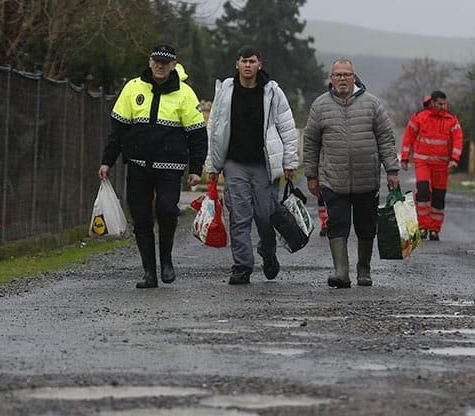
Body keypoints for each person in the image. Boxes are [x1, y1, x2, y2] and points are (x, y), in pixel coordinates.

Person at [99, 44, 207, 288]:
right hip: (138, 165)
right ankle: (149, 272)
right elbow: (118, 130)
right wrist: (107, 161)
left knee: (167, 211)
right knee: (141, 218)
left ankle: (166, 260)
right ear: (149, 62)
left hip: (170, 166)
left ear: (173, 65)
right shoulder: (133, 88)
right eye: (156, 61)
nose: (160, 65)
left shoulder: (185, 93)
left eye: (165, 62)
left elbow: (197, 134)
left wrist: (195, 168)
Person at [204, 45, 299, 285]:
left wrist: (290, 162)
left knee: (265, 216)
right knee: (240, 216)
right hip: (234, 163)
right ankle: (242, 266)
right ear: (237, 64)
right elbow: (214, 128)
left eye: (252, 61)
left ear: (260, 65)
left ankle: (268, 253)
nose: (248, 65)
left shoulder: (272, 92)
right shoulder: (226, 91)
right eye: (244, 61)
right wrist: (212, 166)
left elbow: (287, 128)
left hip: (265, 165)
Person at [303, 59, 401, 288]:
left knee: (366, 227)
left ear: (354, 77)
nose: (342, 79)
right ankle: (341, 271)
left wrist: (392, 170)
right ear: (331, 79)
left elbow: (386, 139)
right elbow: (311, 143)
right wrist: (311, 174)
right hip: (332, 179)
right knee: (337, 224)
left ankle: (364, 270)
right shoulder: (320, 106)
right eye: (338, 75)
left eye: (347, 74)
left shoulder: (372, 104)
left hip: (366, 180)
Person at [401, 90, 463, 241]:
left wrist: (454, 158)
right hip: (423, 162)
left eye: (445, 104)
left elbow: (458, 139)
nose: (443, 106)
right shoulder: (420, 118)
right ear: (433, 103)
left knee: (438, 197)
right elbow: (408, 136)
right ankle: (422, 227)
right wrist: (404, 157)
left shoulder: (451, 120)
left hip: (441, 165)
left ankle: (434, 229)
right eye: (440, 104)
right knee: (422, 192)